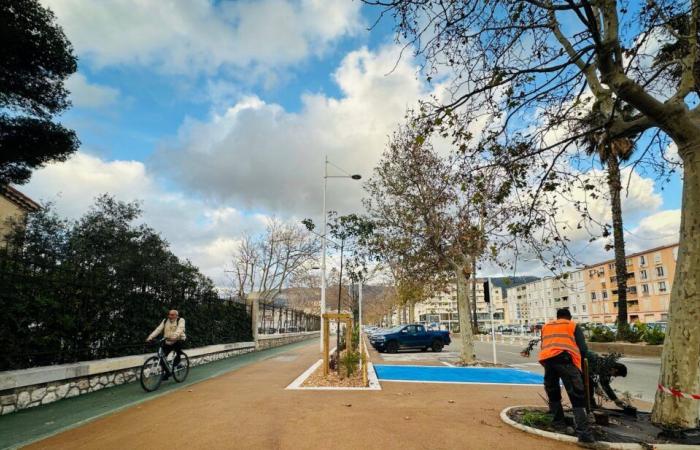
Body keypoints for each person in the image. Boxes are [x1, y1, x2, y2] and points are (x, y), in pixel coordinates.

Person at [538, 308, 594, 443]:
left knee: (553, 392)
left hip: (548, 360)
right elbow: (583, 349)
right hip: (565, 361)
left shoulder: (546, 326)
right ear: (569, 317)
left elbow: (543, 344)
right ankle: (584, 433)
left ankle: (558, 424)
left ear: (557, 317)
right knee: (577, 394)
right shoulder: (572, 325)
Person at [146, 309, 186, 378]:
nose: (170, 316)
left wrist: (174, 337)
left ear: (176, 315)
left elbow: (180, 329)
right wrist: (150, 337)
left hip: (178, 339)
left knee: (178, 353)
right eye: (169, 314)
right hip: (168, 341)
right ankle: (168, 372)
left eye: (172, 315)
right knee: (162, 357)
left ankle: (175, 365)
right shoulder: (165, 321)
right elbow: (158, 329)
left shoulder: (181, 320)